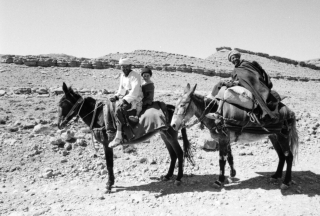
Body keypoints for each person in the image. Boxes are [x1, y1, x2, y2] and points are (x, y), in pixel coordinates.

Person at [211, 49, 279, 124]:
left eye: (235, 57)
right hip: (240, 86)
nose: (234, 60)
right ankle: (218, 110)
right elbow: (236, 79)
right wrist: (232, 82)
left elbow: (250, 78)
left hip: (251, 86)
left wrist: (237, 82)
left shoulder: (246, 65)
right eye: (232, 59)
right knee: (222, 86)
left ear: (238, 57)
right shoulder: (235, 70)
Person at [109, 58, 143, 147]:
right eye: (122, 67)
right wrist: (116, 96)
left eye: (126, 67)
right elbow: (121, 89)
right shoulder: (122, 76)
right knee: (111, 106)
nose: (124, 69)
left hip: (135, 98)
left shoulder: (135, 75)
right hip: (126, 97)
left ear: (130, 66)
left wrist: (125, 100)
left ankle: (120, 136)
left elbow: (135, 91)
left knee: (119, 109)